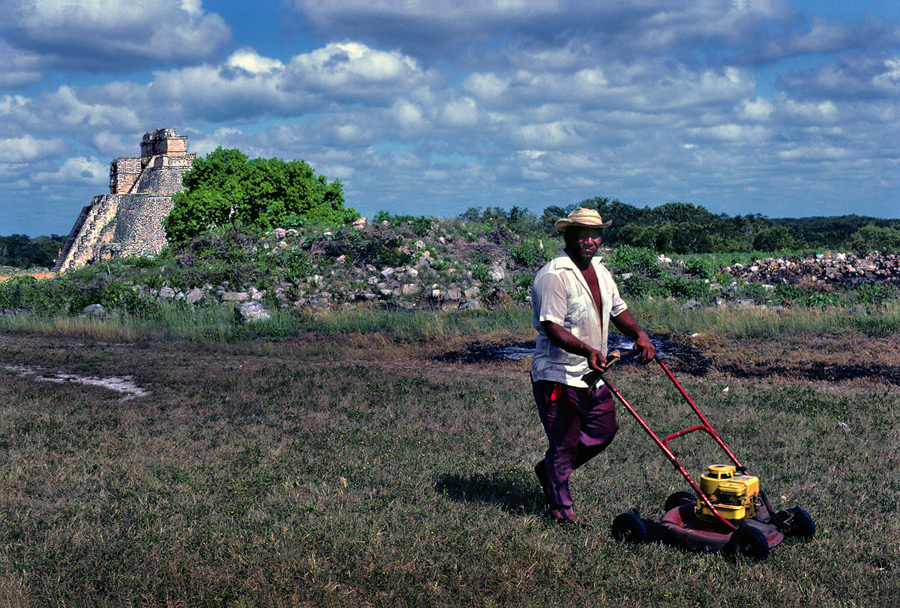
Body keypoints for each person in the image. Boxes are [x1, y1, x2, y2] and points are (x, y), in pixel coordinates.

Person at [531, 207, 655, 529]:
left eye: (595, 234)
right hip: (558, 373)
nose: (590, 240)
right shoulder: (554, 275)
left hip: (591, 371)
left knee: (604, 429)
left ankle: (550, 471)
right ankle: (562, 514)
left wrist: (640, 335)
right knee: (564, 442)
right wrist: (587, 349)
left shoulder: (600, 271)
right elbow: (552, 327)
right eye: (582, 234)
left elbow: (618, 310)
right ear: (567, 236)